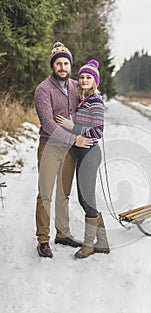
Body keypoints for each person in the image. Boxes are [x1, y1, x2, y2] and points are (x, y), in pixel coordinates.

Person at [34, 42, 91, 258]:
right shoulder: (43, 90)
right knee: (45, 194)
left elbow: (86, 109)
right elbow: (48, 123)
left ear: (70, 66)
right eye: (58, 63)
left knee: (63, 194)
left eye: (66, 63)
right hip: (49, 146)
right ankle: (43, 239)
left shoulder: (77, 87)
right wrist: (74, 138)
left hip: (69, 150)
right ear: (53, 66)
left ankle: (63, 233)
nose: (62, 67)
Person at [56, 59, 110, 259]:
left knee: (86, 199)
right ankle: (102, 242)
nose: (84, 80)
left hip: (90, 154)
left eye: (89, 77)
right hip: (82, 154)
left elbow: (98, 130)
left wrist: (73, 127)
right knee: (84, 198)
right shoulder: (84, 100)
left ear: (95, 81)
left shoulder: (95, 101)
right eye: (82, 77)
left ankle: (89, 245)